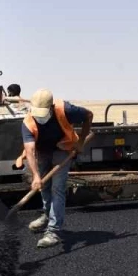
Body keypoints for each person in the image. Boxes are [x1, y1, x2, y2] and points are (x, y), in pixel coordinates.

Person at [21, 89, 93, 249]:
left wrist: (80, 142)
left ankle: (53, 231)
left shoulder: (67, 110)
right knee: (44, 186)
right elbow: (30, 150)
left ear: (51, 108)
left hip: (63, 148)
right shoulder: (28, 122)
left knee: (57, 189)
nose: (40, 118)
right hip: (42, 150)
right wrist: (36, 176)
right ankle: (47, 215)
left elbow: (89, 115)